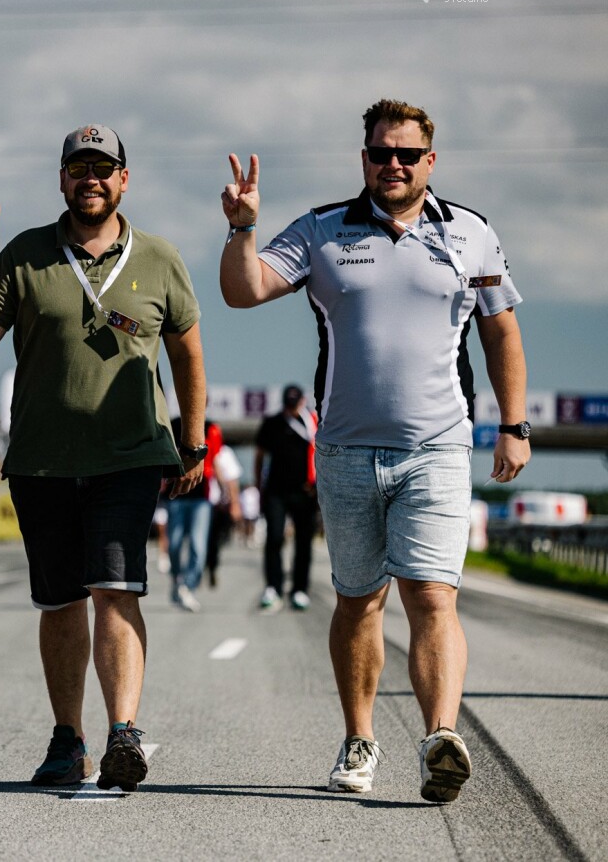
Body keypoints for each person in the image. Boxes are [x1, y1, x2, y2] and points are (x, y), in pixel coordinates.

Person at [219, 99, 530, 803]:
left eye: (407, 153)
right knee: (358, 601)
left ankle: (439, 737)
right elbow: (243, 291)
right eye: (381, 152)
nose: (394, 163)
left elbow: (501, 332)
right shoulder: (323, 230)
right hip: (346, 454)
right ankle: (359, 739)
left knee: (430, 595)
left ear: (430, 161)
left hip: (438, 450)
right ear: (364, 159)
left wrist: (514, 426)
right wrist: (242, 228)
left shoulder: (471, 234)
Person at [0, 124, 206, 792]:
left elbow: (187, 350)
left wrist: (195, 438)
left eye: (103, 169)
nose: (90, 179)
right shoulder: (28, 253)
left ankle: (124, 732)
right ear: (61, 180)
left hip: (128, 455)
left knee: (115, 588)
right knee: (61, 601)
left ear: (124, 179)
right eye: (78, 169)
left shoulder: (158, 257)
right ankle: (68, 739)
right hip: (41, 458)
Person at [254, 384, 319, 612]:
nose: (292, 408)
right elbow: (260, 456)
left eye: (295, 403)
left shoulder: (311, 423)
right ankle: (273, 587)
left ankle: (300, 589)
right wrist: (258, 487)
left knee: (304, 542)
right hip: (276, 491)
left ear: (302, 401)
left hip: (306, 492)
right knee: (273, 538)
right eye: (288, 404)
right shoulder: (272, 423)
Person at [165, 418, 224, 611]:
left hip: (201, 497)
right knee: (173, 544)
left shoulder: (212, 428)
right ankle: (177, 579)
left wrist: (226, 492)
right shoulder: (172, 424)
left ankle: (187, 587)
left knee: (198, 545)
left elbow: (215, 461)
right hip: (175, 495)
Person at [205, 440, 242, 589]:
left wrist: (234, 504)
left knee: (214, 540)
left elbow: (232, 481)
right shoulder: (193, 447)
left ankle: (211, 565)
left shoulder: (224, 452)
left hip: (218, 505)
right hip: (201, 501)